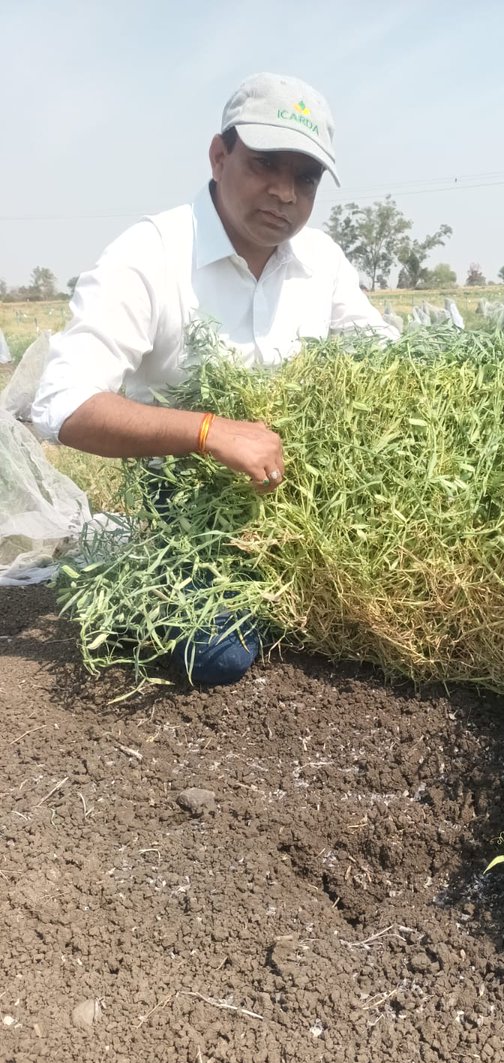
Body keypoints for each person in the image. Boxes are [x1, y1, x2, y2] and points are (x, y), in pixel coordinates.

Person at [32, 72, 398, 686]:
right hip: (187, 508)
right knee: (220, 652)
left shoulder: (323, 261)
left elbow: (387, 362)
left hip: (297, 494)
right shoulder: (148, 256)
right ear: (219, 156)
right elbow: (62, 405)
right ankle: (108, 570)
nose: (284, 193)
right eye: (264, 165)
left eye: (305, 178)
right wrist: (208, 431)